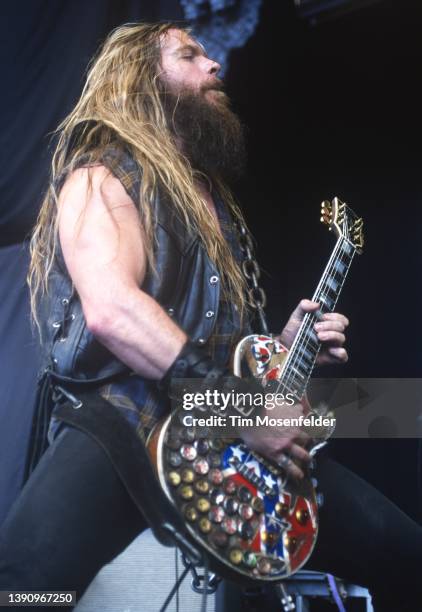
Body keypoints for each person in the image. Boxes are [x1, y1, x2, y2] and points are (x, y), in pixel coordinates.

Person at [0, 21, 421, 612]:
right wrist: (241, 407)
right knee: (23, 590)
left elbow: (219, 348)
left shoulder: (215, 201)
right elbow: (114, 311)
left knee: (405, 552)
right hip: (125, 415)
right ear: (143, 78)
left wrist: (283, 344)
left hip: (220, 424)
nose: (214, 65)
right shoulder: (102, 176)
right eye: (189, 55)